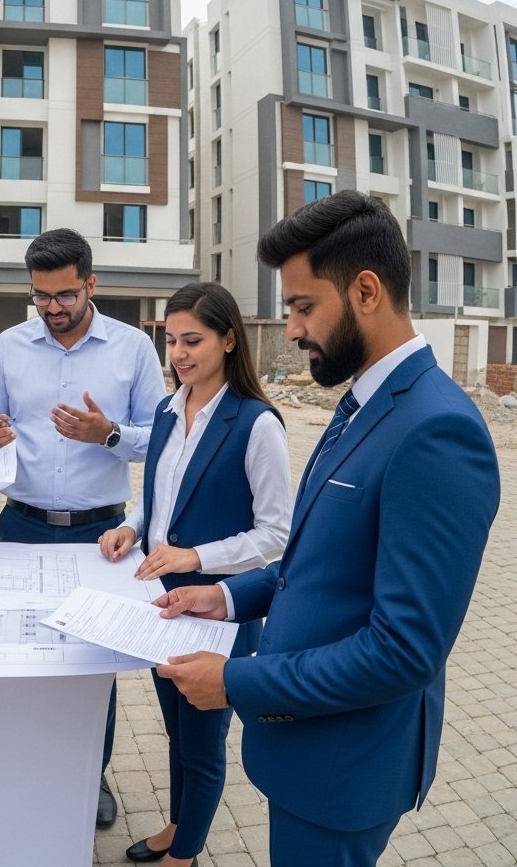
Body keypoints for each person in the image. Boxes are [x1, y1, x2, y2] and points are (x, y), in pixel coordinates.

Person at [157, 191, 500, 867]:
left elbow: (404, 651)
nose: (290, 329)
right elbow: (314, 561)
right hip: (311, 748)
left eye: (303, 306)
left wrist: (237, 682)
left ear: (366, 291)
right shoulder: (360, 404)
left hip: (348, 768)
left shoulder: (437, 429)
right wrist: (225, 597)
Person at [0, 227, 167, 827]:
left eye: (64, 295)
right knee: (21, 658)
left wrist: (104, 434)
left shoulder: (133, 349)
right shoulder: (10, 344)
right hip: (21, 527)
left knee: (89, 664)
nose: (52, 308)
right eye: (40, 296)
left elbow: (160, 440)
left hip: (99, 536)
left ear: (91, 283)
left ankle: (90, 774)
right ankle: (24, 767)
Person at [98, 282, 290, 866]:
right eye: (172, 340)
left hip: (219, 608)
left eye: (194, 340)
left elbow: (277, 536)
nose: (179, 353)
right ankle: (179, 826)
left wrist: (193, 556)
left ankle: (185, 855)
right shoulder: (165, 407)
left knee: (203, 746)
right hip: (161, 603)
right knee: (176, 733)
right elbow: (160, 496)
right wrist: (133, 526)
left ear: (229, 340)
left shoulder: (257, 424)